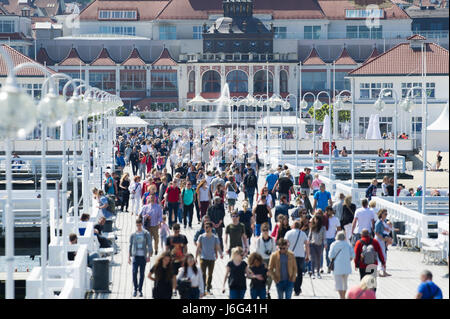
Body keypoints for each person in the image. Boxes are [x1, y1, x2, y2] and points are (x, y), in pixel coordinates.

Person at [196, 222, 223, 295]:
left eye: (207, 227)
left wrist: (221, 254)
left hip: (211, 258)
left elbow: (218, 246)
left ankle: (208, 288)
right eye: (205, 227)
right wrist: (195, 257)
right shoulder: (201, 237)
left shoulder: (215, 237)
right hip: (203, 258)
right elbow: (198, 247)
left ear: (211, 228)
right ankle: (203, 288)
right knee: (203, 274)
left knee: (210, 274)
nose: (206, 228)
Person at [128, 218, 153, 297]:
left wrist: (149, 255)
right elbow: (130, 245)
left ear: (142, 224)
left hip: (143, 256)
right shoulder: (133, 234)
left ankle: (140, 290)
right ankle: (135, 289)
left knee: (142, 274)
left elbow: (149, 244)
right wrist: (129, 257)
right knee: (134, 272)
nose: (138, 227)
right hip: (135, 256)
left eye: (140, 225)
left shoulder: (146, 233)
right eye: (137, 225)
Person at [284, 220, 310, 296]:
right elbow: (307, 245)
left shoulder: (288, 233)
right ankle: (297, 289)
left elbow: (285, 244)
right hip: (300, 255)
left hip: (290, 255)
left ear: (293, 226)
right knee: (299, 273)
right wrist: (307, 255)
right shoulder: (303, 234)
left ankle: (293, 286)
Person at [328, 231, 355, 299]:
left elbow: (330, 255)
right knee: (345, 283)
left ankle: (341, 297)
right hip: (346, 266)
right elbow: (353, 255)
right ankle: (343, 296)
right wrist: (349, 259)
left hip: (337, 267)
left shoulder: (333, 244)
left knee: (338, 284)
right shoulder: (348, 244)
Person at [255, 224, 276, 298]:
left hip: (270, 260)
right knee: (262, 276)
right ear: (261, 231)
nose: (265, 232)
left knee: (270, 276)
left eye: (266, 230)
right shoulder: (258, 240)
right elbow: (256, 251)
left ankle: (268, 289)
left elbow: (274, 250)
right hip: (261, 260)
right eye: (264, 230)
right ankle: (263, 291)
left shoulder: (272, 240)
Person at [374, 209, 392, 277]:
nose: (386, 215)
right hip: (379, 240)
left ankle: (384, 271)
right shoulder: (378, 222)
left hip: (382, 240)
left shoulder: (383, 221)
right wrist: (383, 239)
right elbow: (376, 232)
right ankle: (379, 272)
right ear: (381, 214)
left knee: (384, 255)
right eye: (385, 214)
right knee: (380, 255)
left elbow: (384, 229)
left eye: (386, 214)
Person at [308, 213, 327, 278]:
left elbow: (324, 236)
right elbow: (309, 236)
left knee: (318, 258)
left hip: (320, 245)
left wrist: (325, 243)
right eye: (315, 219)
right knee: (313, 258)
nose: (316, 220)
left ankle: (318, 272)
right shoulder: (312, 227)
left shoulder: (323, 228)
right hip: (312, 244)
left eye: (317, 219)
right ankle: (313, 272)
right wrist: (308, 242)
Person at [324, 206, 342, 273]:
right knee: (327, 253)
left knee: (333, 253)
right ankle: (328, 266)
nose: (329, 213)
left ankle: (333, 266)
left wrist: (336, 236)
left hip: (333, 238)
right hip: (325, 238)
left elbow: (339, 228)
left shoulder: (336, 219)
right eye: (327, 211)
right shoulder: (324, 219)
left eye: (330, 211)